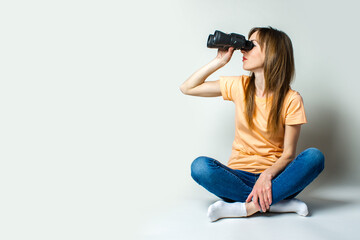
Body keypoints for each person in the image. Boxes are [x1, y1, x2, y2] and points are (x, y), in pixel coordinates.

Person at [179, 26, 325, 222]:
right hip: (238, 177)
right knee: (200, 167)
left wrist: (266, 176)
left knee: (314, 157)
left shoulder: (291, 99)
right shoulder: (239, 86)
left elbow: (289, 154)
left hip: (276, 178)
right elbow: (187, 87)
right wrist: (219, 61)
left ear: (273, 53)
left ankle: (246, 208)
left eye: (251, 45)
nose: (243, 50)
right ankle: (278, 204)